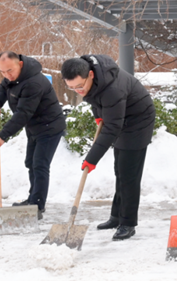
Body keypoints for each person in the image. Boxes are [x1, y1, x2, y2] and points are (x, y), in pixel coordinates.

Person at [60, 55, 155, 241]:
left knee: (129, 174)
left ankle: (128, 223)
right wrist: (98, 115)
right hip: (120, 116)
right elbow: (94, 98)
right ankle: (116, 216)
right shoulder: (92, 78)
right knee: (119, 170)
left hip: (138, 121)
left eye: (79, 86)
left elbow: (112, 127)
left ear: (90, 75)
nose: (77, 91)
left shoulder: (113, 89)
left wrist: (91, 158)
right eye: (71, 87)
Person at [0, 51, 66, 220]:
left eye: (9, 71)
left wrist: (3, 135)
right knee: (31, 162)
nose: (7, 75)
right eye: (2, 72)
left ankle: (37, 206)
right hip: (34, 127)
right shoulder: (12, 77)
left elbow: (23, 113)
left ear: (20, 64)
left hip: (49, 127)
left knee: (40, 165)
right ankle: (33, 199)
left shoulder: (34, 83)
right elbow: (3, 87)